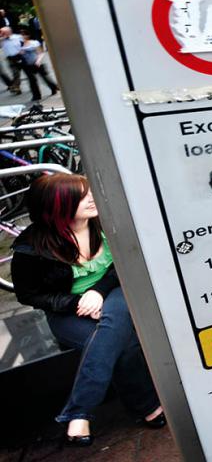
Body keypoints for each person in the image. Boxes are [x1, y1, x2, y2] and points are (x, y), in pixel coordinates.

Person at [11, 174, 165, 445]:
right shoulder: (31, 247)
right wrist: (76, 303)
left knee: (113, 321)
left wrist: (98, 292)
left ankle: (79, 412)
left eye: (90, 191)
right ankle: (145, 406)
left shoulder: (106, 221)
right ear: (58, 204)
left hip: (117, 291)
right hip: (69, 310)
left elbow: (129, 260)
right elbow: (29, 294)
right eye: (82, 196)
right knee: (120, 339)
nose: (92, 198)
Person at [19, 28, 58, 100]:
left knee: (45, 78)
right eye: (21, 35)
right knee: (32, 81)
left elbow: (40, 53)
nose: (22, 37)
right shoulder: (19, 45)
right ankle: (36, 96)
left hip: (37, 63)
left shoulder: (34, 42)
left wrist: (38, 61)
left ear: (28, 35)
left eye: (23, 35)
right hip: (27, 65)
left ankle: (54, 88)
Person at [1, 26, 25, 94]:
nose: (3, 33)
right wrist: (3, 37)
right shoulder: (2, 40)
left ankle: (14, 86)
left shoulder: (17, 37)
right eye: (2, 32)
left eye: (4, 32)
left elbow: (24, 43)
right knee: (15, 73)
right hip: (10, 58)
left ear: (9, 32)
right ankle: (17, 87)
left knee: (23, 73)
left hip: (20, 56)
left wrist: (23, 49)